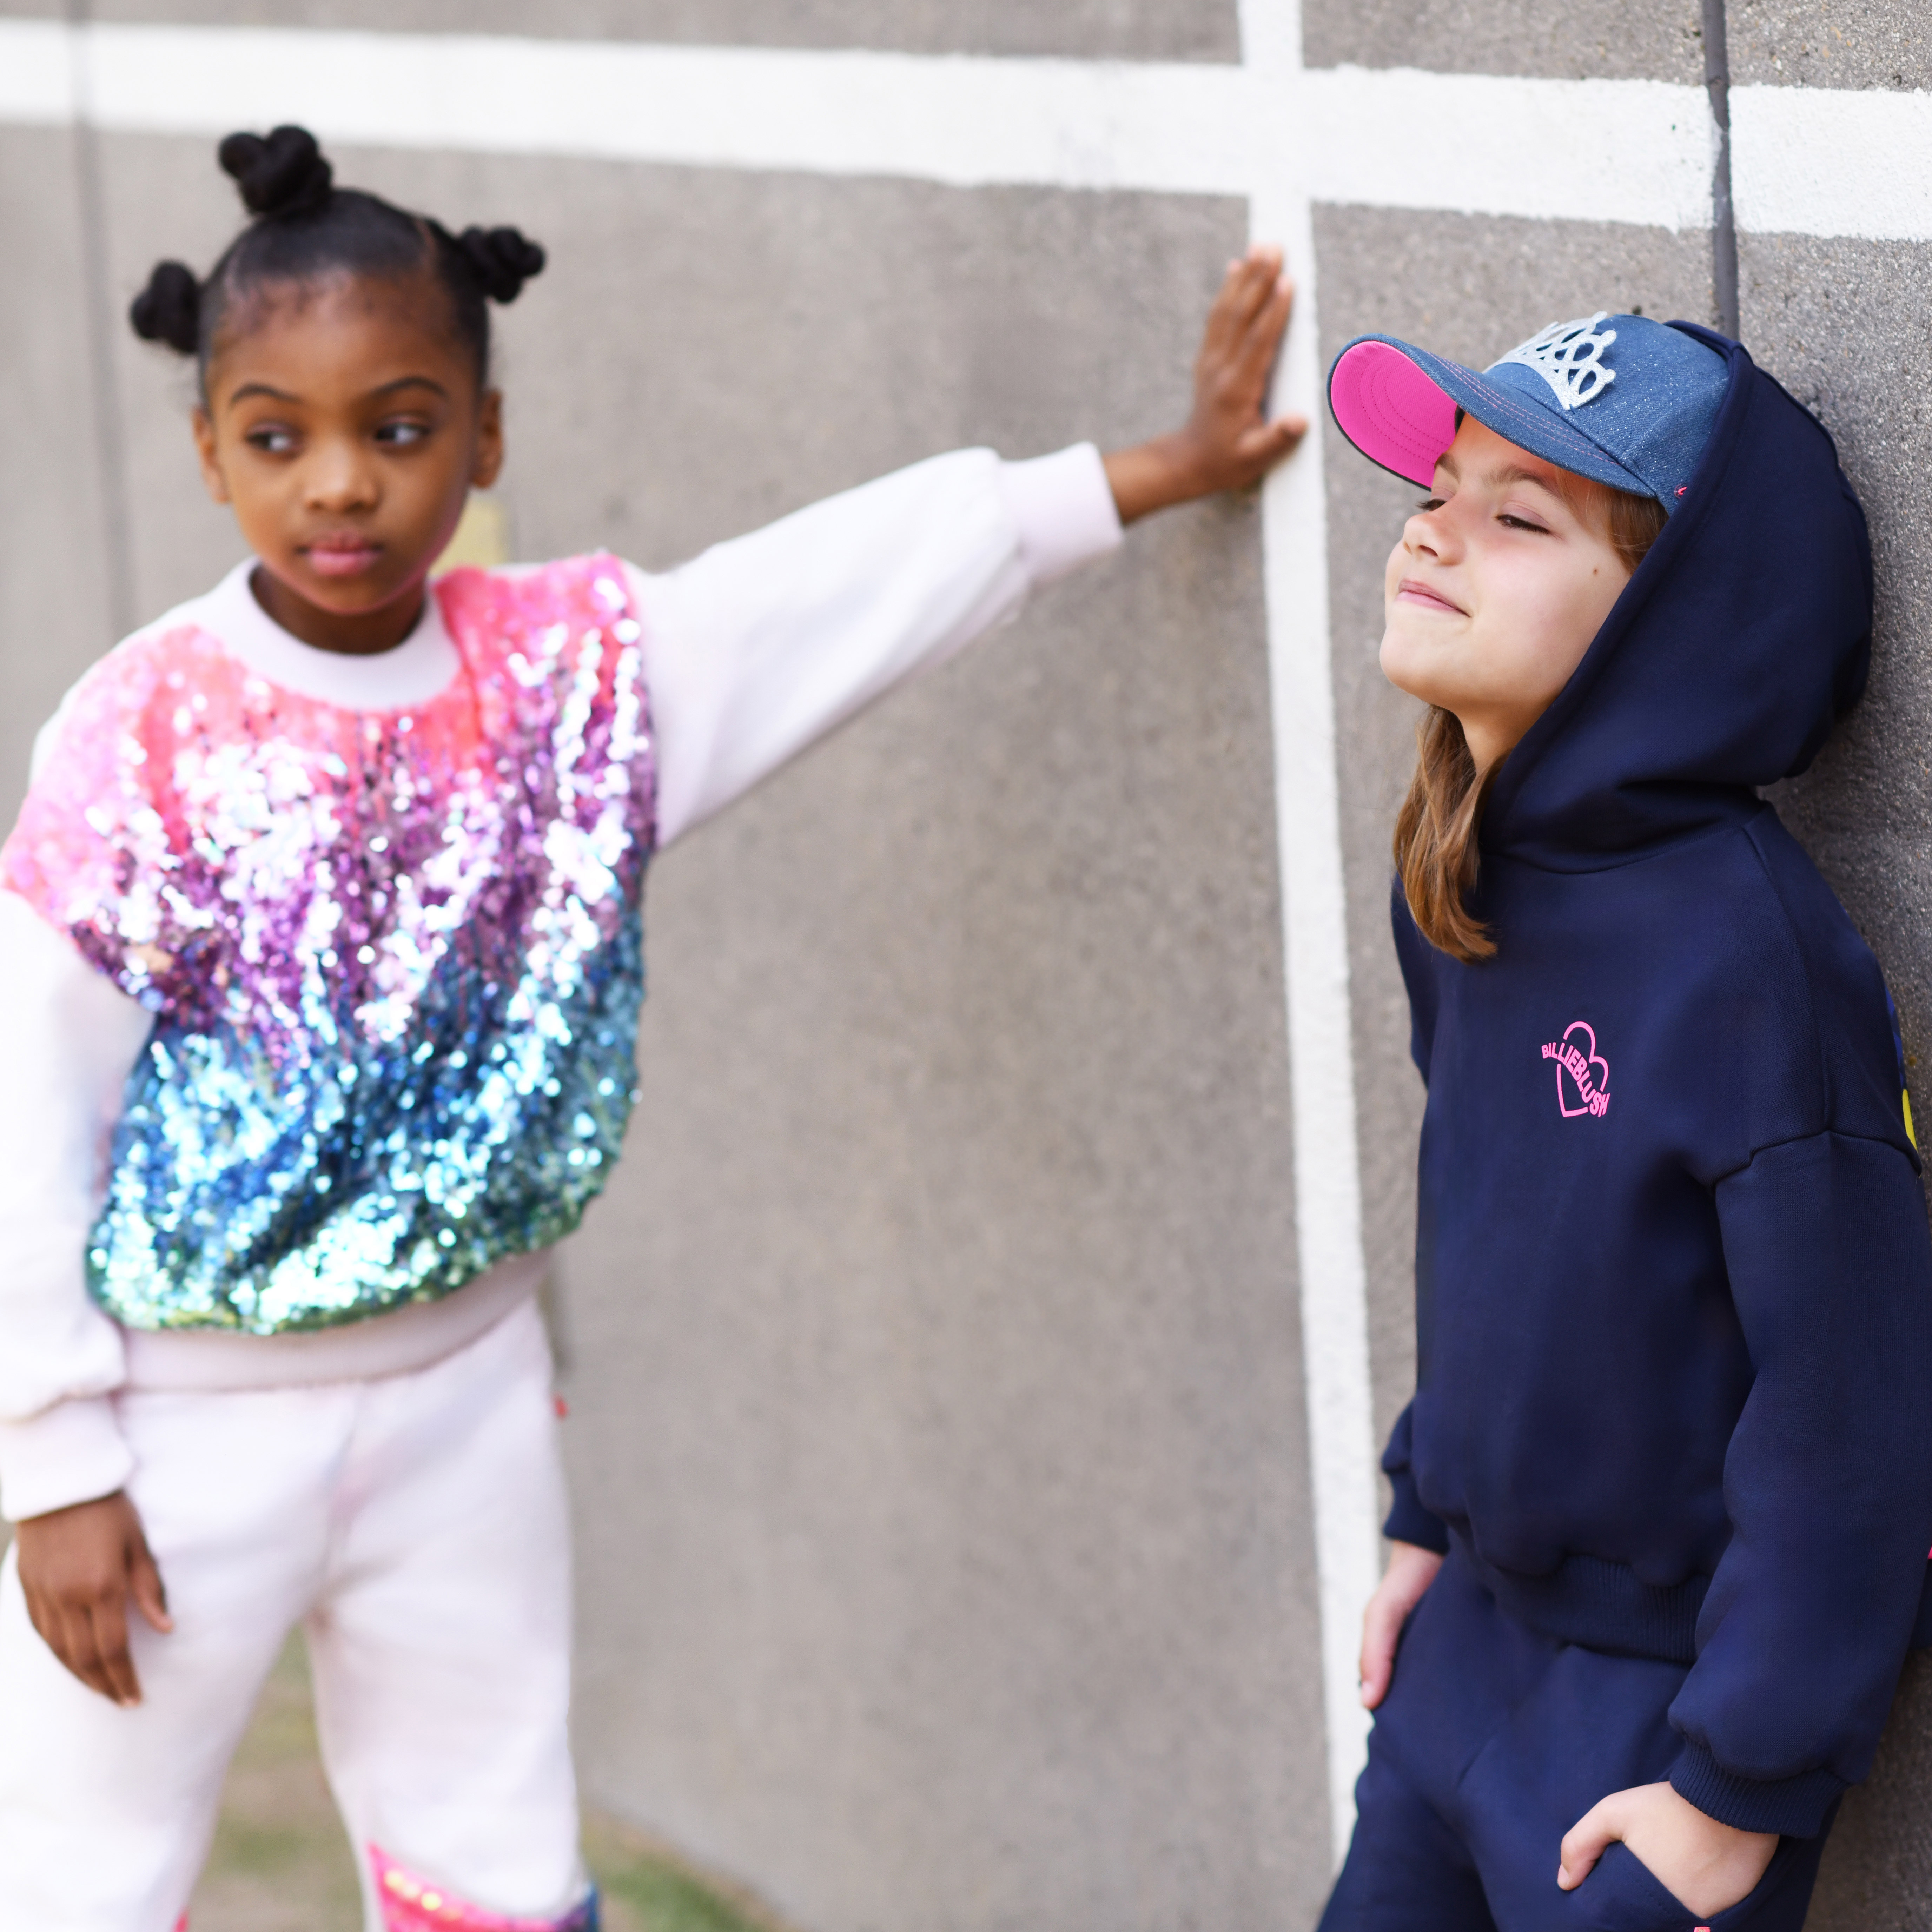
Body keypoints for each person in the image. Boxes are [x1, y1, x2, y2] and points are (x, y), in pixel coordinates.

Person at [0, 125, 1304, 1931]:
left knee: (496, 1857)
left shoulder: (580, 676)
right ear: (210, 446)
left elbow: (834, 597)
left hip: (466, 1402)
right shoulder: (137, 729)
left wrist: (1154, 469)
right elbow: (25, 1103)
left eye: (398, 426)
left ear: (485, 433)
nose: (343, 487)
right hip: (181, 1431)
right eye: (279, 436)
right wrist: (52, 1454)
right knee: (80, 1868)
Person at [1319, 310, 1932, 1929]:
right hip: (1463, 1655)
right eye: (1441, 485)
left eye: (1518, 516)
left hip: (1653, 1726)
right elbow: (1481, 1221)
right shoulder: (1454, 877)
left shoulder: (1748, 962)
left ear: (1665, 621)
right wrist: (1418, 1508)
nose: (1431, 525)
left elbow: (1852, 1395)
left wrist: (1738, 1782)